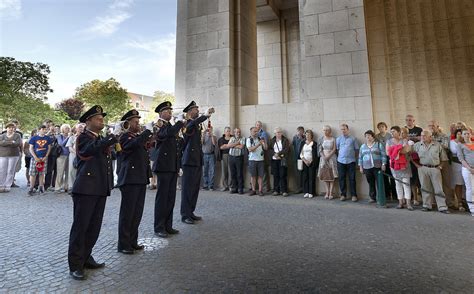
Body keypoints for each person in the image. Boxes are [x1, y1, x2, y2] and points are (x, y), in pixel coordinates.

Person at [68, 105, 117, 280]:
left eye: (102, 118)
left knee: (94, 228)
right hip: (86, 189)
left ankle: (86, 257)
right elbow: (88, 150)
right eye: (98, 118)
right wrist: (109, 140)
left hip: (99, 188)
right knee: (81, 228)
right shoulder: (83, 137)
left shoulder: (100, 138)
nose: (101, 120)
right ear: (88, 121)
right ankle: (75, 265)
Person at [116, 109, 153, 252]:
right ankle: (124, 244)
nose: (138, 122)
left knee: (137, 212)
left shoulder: (136, 136)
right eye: (135, 121)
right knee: (127, 213)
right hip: (130, 179)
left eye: (138, 120)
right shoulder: (125, 137)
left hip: (140, 178)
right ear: (128, 123)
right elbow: (135, 144)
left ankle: (132, 241)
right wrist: (146, 132)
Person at [152, 101, 185, 237]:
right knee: (162, 198)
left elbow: (176, 147)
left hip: (172, 165)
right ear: (161, 113)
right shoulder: (158, 125)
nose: (170, 113)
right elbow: (166, 134)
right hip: (163, 166)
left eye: (171, 111)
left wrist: (178, 165)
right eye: (167, 111)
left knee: (171, 197)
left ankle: (168, 225)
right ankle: (159, 227)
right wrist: (179, 123)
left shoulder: (170, 126)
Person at [181, 101, 213, 224]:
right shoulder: (187, 123)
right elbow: (191, 126)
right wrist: (204, 116)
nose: (197, 110)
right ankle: (185, 214)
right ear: (189, 112)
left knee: (194, 188)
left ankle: (191, 212)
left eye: (198, 109)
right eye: (195, 109)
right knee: (187, 189)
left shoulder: (196, 124)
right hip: (189, 160)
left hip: (197, 159)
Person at [412, 130, 450, 214]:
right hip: (423, 168)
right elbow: (410, 155)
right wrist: (416, 165)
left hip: (435, 168)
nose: (422, 137)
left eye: (424, 135)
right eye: (421, 135)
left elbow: (444, 158)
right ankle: (426, 205)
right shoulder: (417, 145)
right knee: (425, 187)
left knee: (438, 188)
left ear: (430, 137)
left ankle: (442, 206)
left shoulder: (437, 145)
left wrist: (440, 166)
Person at [428, 120, 456, 209]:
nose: (431, 127)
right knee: (433, 183)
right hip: (432, 162)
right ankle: (434, 203)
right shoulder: (427, 136)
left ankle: (450, 202)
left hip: (443, 161)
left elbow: (445, 147)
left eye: (433, 126)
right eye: (430, 126)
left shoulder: (443, 136)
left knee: (446, 182)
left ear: (437, 126)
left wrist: (433, 142)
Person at [386, 126, 413, 210]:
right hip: (394, 166)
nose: (392, 133)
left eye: (393, 131)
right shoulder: (389, 141)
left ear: (398, 132)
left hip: (405, 165)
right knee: (398, 184)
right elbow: (387, 153)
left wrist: (394, 150)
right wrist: (398, 150)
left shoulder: (404, 140)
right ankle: (400, 202)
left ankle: (408, 203)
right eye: (391, 131)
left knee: (406, 184)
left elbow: (407, 150)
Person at [358, 130, 387, 203]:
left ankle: (381, 198)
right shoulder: (363, 146)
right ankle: (372, 197)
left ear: (373, 137)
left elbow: (383, 155)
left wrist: (383, 164)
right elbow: (360, 158)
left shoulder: (378, 145)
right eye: (366, 136)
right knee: (370, 182)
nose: (367, 137)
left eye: (369, 136)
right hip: (367, 167)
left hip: (377, 167)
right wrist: (361, 167)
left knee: (379, 183)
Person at [336, 124, 359, 202]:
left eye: (344, 129)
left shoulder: (353, 139)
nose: (343, 131)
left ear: (347, 129)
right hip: (340, 161)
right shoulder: (338, 139)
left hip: (351, 161)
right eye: (341, 129)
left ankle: (354, 195)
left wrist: (353, 157)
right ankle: (343, 194)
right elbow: (337, 149)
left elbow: (356, 150)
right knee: (341, 178)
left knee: (352, 179)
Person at [28, 125, 52, 195]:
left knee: (42, 173)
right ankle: (31, 188)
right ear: (39, 130)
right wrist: (35, 157)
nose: (45, 130)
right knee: (33, 173)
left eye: (46, 129)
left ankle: (41, 188)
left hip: (43, 157)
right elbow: (31, 148)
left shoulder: (47, 138)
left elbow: (49, 148)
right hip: (35, 158)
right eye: (43, 129)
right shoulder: (34, 138)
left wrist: (46, 156)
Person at [375, 122, 397, 200]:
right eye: (379, 127)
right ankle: (387, 194)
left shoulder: (390, 135)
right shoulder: (376, 136)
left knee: (392, 176)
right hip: (381, 158)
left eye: (382, 127)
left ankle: (395, 194)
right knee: (384, 176)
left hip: (390, 156)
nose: (381, 128)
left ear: (385, 127)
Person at [405, 114, 422, 205]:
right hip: (408, 157)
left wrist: (410, 138)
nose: (409, 121)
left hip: (419, 156)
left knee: (420, 178)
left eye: (410, 120)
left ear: (414, 121)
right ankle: (415, 198)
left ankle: (423, 197)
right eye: (407, 120)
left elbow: (421, 138)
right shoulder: (403, 129)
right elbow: (403, 139)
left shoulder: (419, 129)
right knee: (412, 179)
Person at [0, 122, 22, 193]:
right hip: (3, 155)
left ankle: (8, 185)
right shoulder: (2, 135)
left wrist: (6, 142)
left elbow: (17, 144)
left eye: (12, 128)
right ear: (6, 128)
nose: (11, 129)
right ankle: (1, 185)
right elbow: (1, 143)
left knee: (10, 170)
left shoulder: (17, 135)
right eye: (9, 127)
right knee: (2, 170)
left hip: (14, 155)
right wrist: (11, 142)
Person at [318, 125, 338, 199]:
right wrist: (323, 157)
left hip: (332, 158)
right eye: (324, 130)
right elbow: (320, 149)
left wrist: (328, 156)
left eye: (327, 130)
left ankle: (331, 193)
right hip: (323, 158)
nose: (325, 132)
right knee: (325, 175)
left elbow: (334, 149)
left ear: (330, 131)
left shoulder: (333, 138)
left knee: (332, 175)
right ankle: (327, 192)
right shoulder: (321, 139)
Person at [457, 129, 474, 216]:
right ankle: (472, 208)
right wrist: (469, 168)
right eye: (465, 134)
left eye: (468, 133)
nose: (467, 135)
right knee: (470, 188)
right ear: (462, 136)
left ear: (471, 134)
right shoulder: (460, 145)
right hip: (467, 169)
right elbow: (461, 158)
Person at [269, 127, 290, 196]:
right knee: (276, 175)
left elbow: (286, 149)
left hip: (282, 160)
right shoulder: (272, 140)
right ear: (275, 134)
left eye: (280, 132)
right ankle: (276, 190)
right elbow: (270, 149)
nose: (279, 134)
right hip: (274, 160)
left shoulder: (285, 140)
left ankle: (284, 190)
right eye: (277, 132)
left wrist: (279, 154)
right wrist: (274, 154)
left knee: (282, 175)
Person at [246, 126, 267, 196]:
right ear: (251, 132)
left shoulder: (260, 138)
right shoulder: (249, 140)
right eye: (254, 131)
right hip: (252, 160)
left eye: (256, 131)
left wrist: (264, 143)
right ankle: (253, 190)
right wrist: (258, 144)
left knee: (260, 176)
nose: (256, 133)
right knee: (253, 176)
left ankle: (260, 190)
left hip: (261, 160)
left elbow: (265, 148)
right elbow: (250, 149)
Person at [449, 129, 466, 211]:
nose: (460, 135)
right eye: (458, 134)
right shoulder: (453, 142)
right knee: (459, 183)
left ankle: (466, 201)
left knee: (466, 184)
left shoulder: (467, 142)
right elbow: (454, 151)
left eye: (461, 134)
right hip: (456, 164)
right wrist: (460, 143)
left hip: (467, 165)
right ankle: (459, 202)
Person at [66, 123, 85, 194]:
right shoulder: (72, 137)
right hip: (73, 155)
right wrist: (76, 153)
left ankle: (81, 187)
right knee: (72, 171)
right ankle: (71, 187)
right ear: (76, 129)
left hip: (83, 156)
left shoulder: (86, 137)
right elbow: (69, 147)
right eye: (80, 127)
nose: (81, 128)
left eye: (82, 127)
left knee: (82, 171)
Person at [300, 129, 318, 198]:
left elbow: (315, 154)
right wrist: (305, 160)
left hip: (312, 163)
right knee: (305, 177)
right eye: (306, 135)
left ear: (311, 136)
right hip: (305, 162)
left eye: (309, 135)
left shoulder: (314, 143)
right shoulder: (302, 143)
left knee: (311, 177)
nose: (307, 136)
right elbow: (301, 154)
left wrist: (311, 161)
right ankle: (306, 191)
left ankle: (311, 192)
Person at [228, 128, 246, 194]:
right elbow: (228, 145)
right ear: (234, 132)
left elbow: (241, 147)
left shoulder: (243, 138)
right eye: (237, 132)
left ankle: (240, 188)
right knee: (233, 173)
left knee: (239, 174)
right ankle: (234, 188)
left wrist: (233, 145)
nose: (238, 133)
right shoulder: (232, 138)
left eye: (239, 132)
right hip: (231, 157)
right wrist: (236, 144)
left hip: (239, 158)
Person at [55, 124, 71, 193]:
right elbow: (61, 144)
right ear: (63, 129)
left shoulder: (71, 136)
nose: (67, 129)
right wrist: (68, 138)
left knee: (68, 172)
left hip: (69, 155)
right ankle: (57, 187)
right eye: (66, 128)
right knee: (60, 172)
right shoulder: (60, 136)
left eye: (68, 128)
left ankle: (66, 186)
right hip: (61, 156)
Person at [255, 121, 271, 192]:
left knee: (263, 171)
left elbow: (265, 144)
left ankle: (265, 187)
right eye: (257, 125)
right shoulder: (254, 133)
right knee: (255, 171)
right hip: (255, 154)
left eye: (259, 125)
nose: (258, 126)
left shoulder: (264, 133)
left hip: (263, 154)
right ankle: (255, 186)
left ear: (261, 126)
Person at [201, 126, 217, 191]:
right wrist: (203, 134)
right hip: (204, 155)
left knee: (212, 171)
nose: (209, 130)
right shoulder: (204, 136)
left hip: (211, 155)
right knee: (205, 171)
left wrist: (211, 135)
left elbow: (214, 143)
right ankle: (205, 185)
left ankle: (211, 185)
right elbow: (202, 142)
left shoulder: (214, 137)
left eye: (210, 129)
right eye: (208, 129)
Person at [217, 127, 232, 191]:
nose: (228, 132)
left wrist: (225, 145)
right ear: (224, 132)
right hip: (224, 156)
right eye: (227, 131)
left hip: (231, 155)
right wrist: (229, 145)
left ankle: (230, 185)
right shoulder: (221, 139)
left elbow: (234, 146)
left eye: (229, 131)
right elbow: (221, 147)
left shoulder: (232, 138)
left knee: (230, 171)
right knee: (224, 171)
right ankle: (224, 186)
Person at [292, 126, 306, 193]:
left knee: (303, 174)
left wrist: (302, 139)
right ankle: (298, 188)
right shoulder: (295, 138)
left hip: (303, 158)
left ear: (303, 132)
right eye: (298, 131)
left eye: (301, 131)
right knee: (296, 174)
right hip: (296, 158)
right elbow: (293, 145)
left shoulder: (305, 138)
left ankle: (303, 188)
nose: (300, 132)